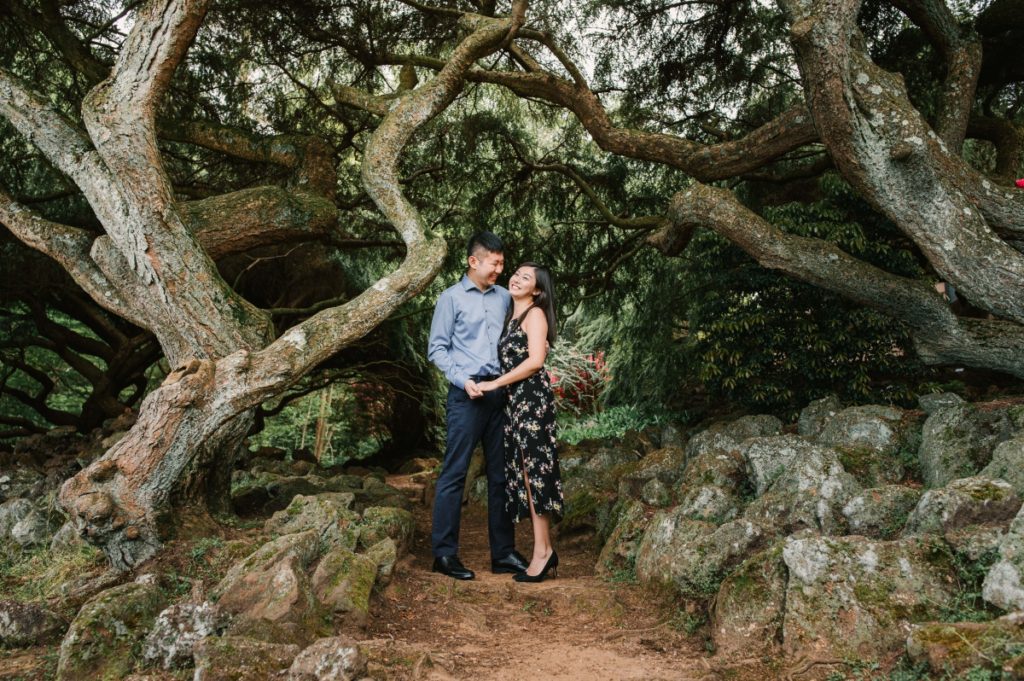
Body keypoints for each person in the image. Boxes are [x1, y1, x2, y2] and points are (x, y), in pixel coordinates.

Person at [426, 232, 529, 580]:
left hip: (500, 396)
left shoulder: (505, 298)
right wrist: (461, 380)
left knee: (501, 478)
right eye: (495, 263)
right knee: (454, 475)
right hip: (465, 397)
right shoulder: (450, 299)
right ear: (474, 261)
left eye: (503, 262)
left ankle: (502, 553)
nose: (501, 269)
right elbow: (437, 349)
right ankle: (443, 555)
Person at [478, 262, 563, 582]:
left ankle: (543, 551)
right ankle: (543, 549)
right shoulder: (510, 317)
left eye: (525, 278)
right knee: (527, 478)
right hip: (516, 406)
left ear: (537, 290)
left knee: (536, 477)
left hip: (532, 403)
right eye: (515, 274)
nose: (515, 278)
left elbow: (536, 361)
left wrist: (495, 383)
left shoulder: (535, 315)